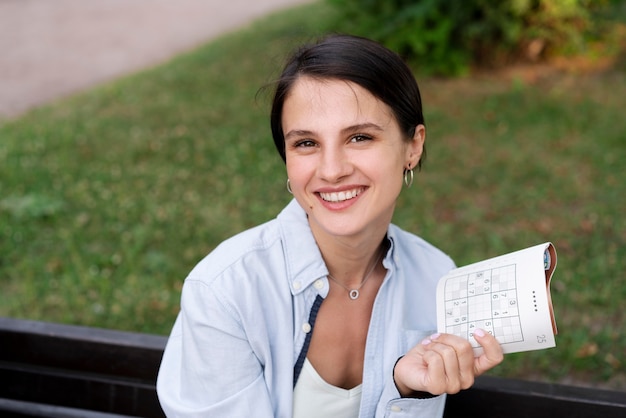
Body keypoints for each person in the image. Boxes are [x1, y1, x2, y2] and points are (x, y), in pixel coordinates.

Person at [156, 34, 504, 417]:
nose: (332, 170)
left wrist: (405, 389)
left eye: (359, 137)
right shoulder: (227, 291)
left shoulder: (436, 281)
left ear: (413, 146)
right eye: (306, 143)